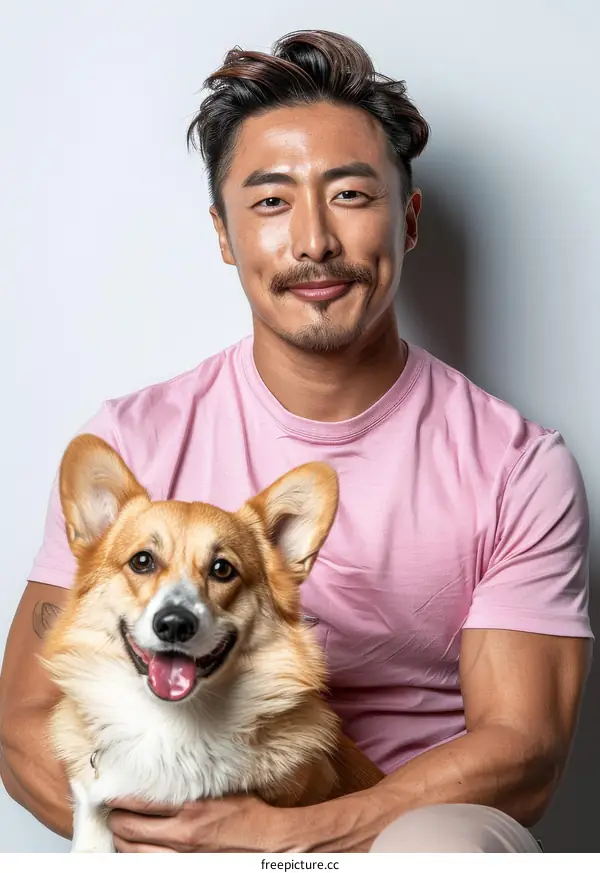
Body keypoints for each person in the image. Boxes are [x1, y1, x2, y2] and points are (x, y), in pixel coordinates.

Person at [0, 29, 592, 853]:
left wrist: (281, 841)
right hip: (180, 826)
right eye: (271, 201)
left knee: (441, 850)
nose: (313, 240)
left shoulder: (519, 466)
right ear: (222, 233)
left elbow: (525, 751)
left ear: (408, 219)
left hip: (405, 828)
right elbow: (24, 723)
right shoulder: (134, 438)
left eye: (350, 195)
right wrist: (167, 846)